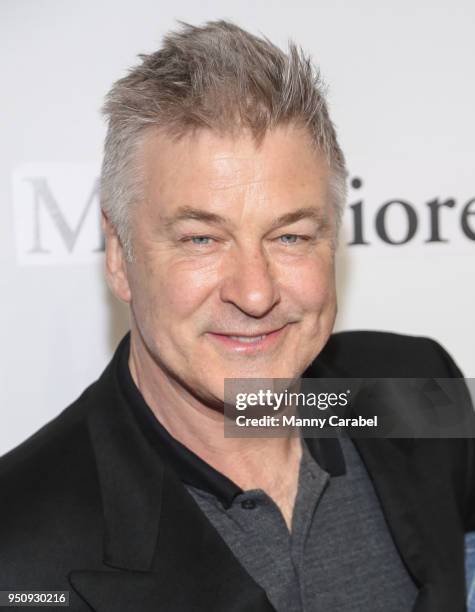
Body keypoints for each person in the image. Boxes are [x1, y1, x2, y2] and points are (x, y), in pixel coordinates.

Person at [0, 20, 474, 612]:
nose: (254, 294)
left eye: (291, 236)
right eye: (202, 239)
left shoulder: (415, 384)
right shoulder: (15, 544)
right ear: (120, 255)